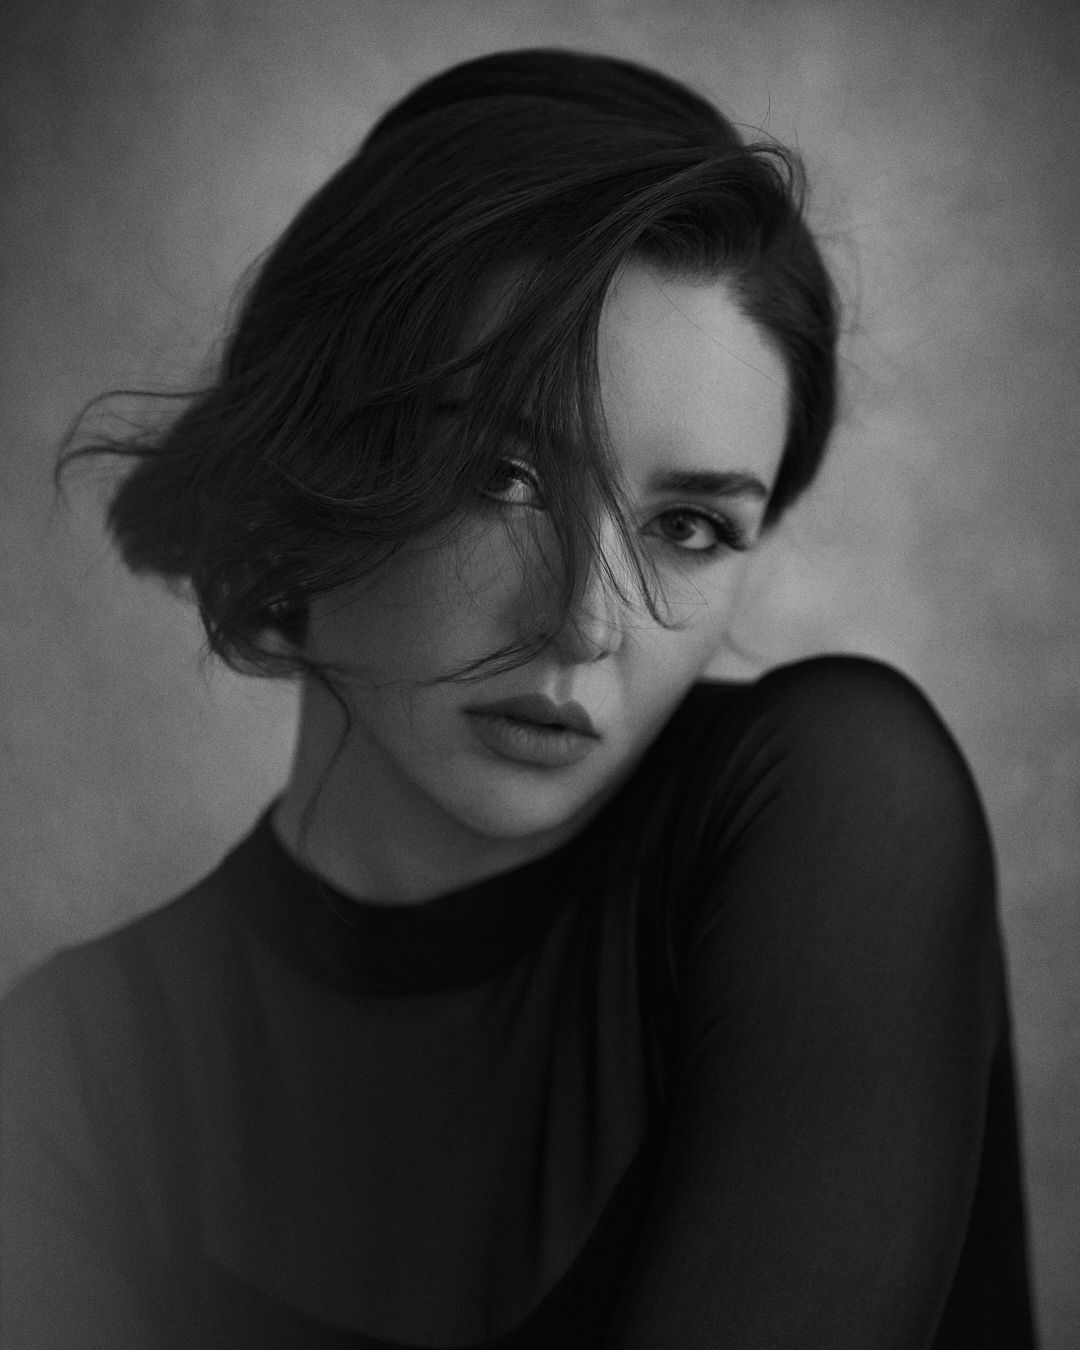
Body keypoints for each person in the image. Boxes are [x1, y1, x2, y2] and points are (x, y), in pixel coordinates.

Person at [0, 48, 1037, 1349]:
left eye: (690, 526)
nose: (588, 622)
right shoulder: (66, 1085)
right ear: (307, 455)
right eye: (504, 475)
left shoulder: (836, 806)